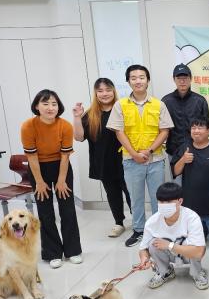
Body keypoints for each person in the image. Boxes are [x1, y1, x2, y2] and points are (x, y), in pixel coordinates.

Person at [107, 64, 175, 248]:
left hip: (156, 159)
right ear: (128, 81)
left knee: (158, 197)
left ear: (148, 80)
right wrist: (134, 154)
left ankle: (158, 231)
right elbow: (119, 132)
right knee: (135, 198)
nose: (138, 81)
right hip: (131, 160)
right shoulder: (120, 105)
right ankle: (138, 230)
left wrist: (149, 151)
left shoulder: (159, 104)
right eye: (134, 77)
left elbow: (164, 131)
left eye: (142, 77)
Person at [21, 89, 82, 269]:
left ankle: (73, 251)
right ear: (37, 106)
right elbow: (31, 158)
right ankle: (52, 253)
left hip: (61, 166)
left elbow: (65, 157)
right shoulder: (28, 126)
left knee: (67, 208)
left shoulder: (65, 126)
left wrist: (62, 180)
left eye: (54, 104)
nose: (50, 107)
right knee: (45, 211)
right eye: (45, 103)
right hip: (38, 168)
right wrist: (39, 182)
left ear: (59, 107)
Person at [73, 78, 131, 238]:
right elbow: (78, 137)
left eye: (108, 90)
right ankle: (119, 223)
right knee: (112, 193)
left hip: (126, 160)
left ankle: (139, 223)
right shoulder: (90, 115)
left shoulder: (123, 109)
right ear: (95, 94)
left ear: (114, 91)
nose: (104, 94)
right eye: (100, 91)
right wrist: (77, 117)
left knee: (131, 192)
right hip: (104, 162)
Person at [134, 182, 208, 290]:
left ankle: (197, 273)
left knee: (193, 245)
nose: (164, 205)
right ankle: (166, 271)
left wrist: (170, 245)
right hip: (168, 253)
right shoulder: (152, 222)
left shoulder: (192, 217)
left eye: (168, 201)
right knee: (152, 244)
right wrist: (144, 258)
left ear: (180, 201)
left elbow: (199, 251)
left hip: (187, 254)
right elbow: (143, 248)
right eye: (161, 201)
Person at [171, 117, 209, 238]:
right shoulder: (185, 147)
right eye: (193, 127)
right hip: (191, 208)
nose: (196, 131)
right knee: (196, 239)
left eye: (200, 127)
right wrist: (183, 159)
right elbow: (175, 171)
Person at [162, 63, 209, 158]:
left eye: (185, 78)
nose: (182, 81)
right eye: (179, 78)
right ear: (174, 79)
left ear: (191, 79)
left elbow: (206, 126)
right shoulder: (166, 101)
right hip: (174, 150)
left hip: (196, 150)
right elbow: (162, 127)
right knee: (176, 173)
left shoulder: (200, 100)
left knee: (197, 173)